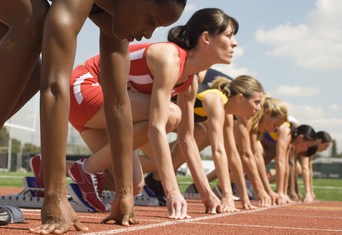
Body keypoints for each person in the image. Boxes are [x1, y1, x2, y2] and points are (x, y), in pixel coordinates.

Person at [0, 0, 186, 234]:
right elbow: (54, 87)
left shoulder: (113, 15)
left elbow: (117, 101)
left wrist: (124, 193)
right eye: (151, 21)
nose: (148, 34)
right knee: (33, 19)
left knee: (30, 76)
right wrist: (54, 196)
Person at [30, 8, 240, 218]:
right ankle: (86, 169)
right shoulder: (169, 58)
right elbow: (156, 128)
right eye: (229, 35)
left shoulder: (190, 82)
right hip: (83, 90)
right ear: (206, 38)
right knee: (171, 114)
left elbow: (187, 140)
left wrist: (207, 194)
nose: (234, 43)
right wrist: (172, 192)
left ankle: (48, 166)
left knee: (134, 184)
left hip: (100, 113)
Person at [140, 70, 265, 212]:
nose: (258, 109)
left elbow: (232, 153)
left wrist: (244, 198)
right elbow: (218, 150)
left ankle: (154, 181)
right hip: (144, 114)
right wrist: (227, 194)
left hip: (158, 119)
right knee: (157, 161)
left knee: (199, 131)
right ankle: (125, 172)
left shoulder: (226, 111)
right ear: (240, 98)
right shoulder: (216, 100)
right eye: (256, 102)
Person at [260, 122, 318, 204]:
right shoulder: (287, 132)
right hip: (256, 136)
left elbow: (285, 166)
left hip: (264, 139)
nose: (306, 150)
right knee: (259, 154)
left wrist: (283, 192)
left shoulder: (290, 141)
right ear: (300, 138)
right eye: (307, 146)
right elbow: (279, 161)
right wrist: (279, 192)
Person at [295, 131, 332, 203]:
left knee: (298, 169)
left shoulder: (312, 149)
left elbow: (309, 169)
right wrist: (307, 193)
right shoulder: (309, 146)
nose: (326, 149)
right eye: (326, 146)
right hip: (287, 158)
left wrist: (311, 192)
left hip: (291, 162)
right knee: (298, 169)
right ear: (319, 141)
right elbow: (305, 168)